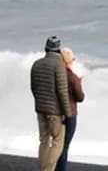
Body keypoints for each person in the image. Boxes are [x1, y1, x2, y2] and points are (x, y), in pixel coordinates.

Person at [30, 36, 72, 171]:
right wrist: (68, 113)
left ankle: (43, 168)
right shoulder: (58, 65)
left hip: (40, 109)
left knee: (43, 141)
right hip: (55, 112)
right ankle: (47, 169)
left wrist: (39, 102)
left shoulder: (36, 64)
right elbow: (62, 91)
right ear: (58, 50)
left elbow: (33, 88)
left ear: (46, 48)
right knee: (57, 142)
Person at [56, 47, 85, 171]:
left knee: (57, 144)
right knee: (65, 146)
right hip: (70, 114)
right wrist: (79, 83)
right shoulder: (72, 77)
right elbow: (80, 97)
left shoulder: (56, 74)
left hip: (56, 112)